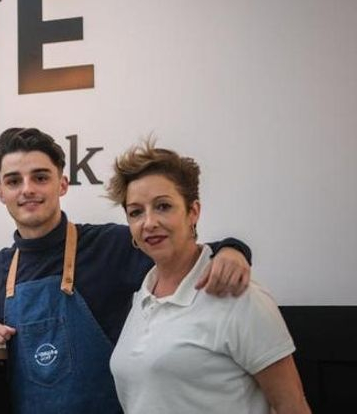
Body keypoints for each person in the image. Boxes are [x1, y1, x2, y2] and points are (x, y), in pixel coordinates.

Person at [0, 127, 253, 414]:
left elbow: (185, 253)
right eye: (13, 181)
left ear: (62, 184)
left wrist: (232, 249)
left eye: (40, 177)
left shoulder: (109, 245)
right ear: (0, 193)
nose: (27, 189)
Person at [106, 140, 310, 413]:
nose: (149, 222)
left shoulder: (239, 296)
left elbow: (292, 405)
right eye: (136, 212)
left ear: (193, 212)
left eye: (163, 206)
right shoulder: (142, 297)